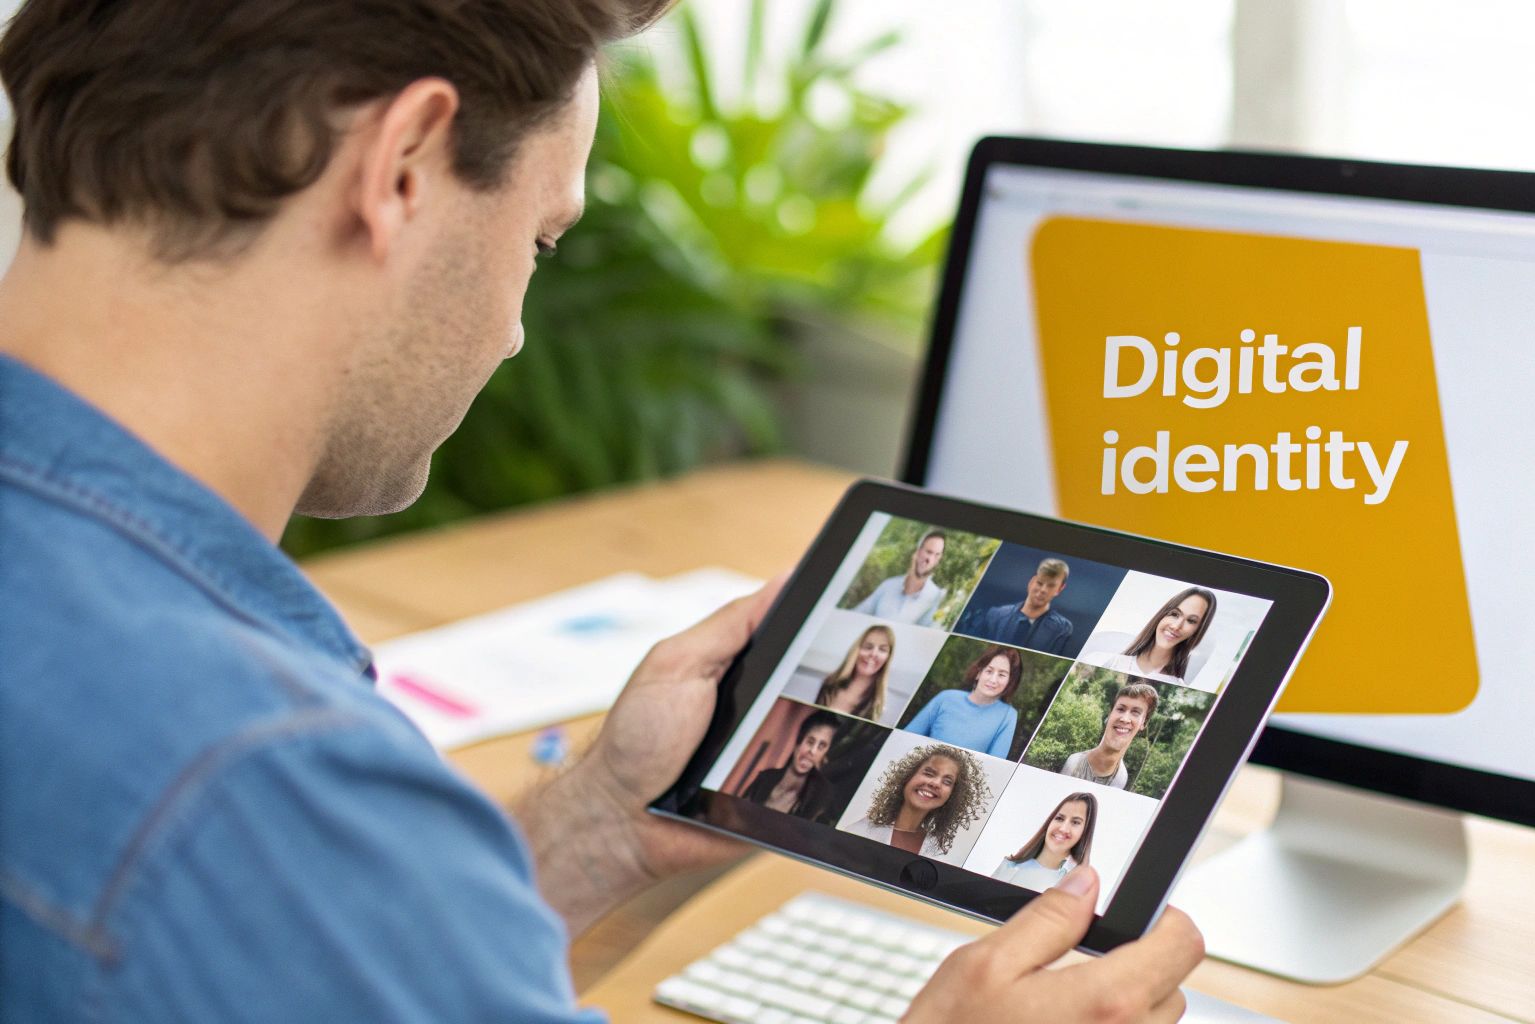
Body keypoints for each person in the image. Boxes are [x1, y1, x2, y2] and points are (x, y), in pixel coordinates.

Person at [0, 2, 1204, 1020]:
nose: (514, 334)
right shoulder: (261, 788)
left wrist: (596, 828)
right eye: (541, 241)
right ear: (402, 166)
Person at [839, 744, 990, 862]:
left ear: (951, 796)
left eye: (947, 781)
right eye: (929, 773)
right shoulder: (860, 831)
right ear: (908, 777)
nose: (935, 783)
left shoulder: (937, 851)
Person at [901, 645, 1023, 759]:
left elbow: (994, 762)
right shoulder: (946, 698)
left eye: (1001, 675)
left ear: (1010, 682)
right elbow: (906, 738)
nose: (993, 680)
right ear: (979, 673)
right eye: (989, 671)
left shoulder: (1008, 715)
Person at [1080, 588, 1216, 685]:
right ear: (1162, 615)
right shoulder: (1101, 660)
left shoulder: (1177, 685)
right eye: (1175, 614)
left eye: (1191, 621)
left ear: (1197, 631)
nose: (1176, 626)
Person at [739, 709, 841, 822]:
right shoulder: (765, 777)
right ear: (798, 741)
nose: (813, 751)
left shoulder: (821, 795)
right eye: (810, 742)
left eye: (821, 746)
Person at [958, 558, 1074, 655]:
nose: (1043, 590)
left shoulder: (1062, 629)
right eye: (1039, 583)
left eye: (1051, 586)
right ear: (1032, 581)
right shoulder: (995, 615)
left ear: (1060, 589)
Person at [1061, 683, 1160, 792]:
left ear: (1143, 723)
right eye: (1121, 709)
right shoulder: (1074, 763)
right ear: (1110, 714)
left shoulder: (1121, 777)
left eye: (1135, 712)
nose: (1125, 719)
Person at [992, 792, 1097, 892]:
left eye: (1075, 822)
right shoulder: (1010, 865)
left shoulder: (1073, 885)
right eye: (1059, 818)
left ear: (1085, 832)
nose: (1063, 828)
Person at [851, 528, 948, 626]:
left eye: (937, 555)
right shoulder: (889, 584)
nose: (930, 560)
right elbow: (857, 613)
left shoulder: (935, 596)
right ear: (918, 551)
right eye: (928, 552)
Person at [813, 623, 894, 721]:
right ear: (856, 650)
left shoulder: (880, 704)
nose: (873, 654)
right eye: (868, 647)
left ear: (888, 657)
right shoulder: (830, 683)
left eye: (882, 649)